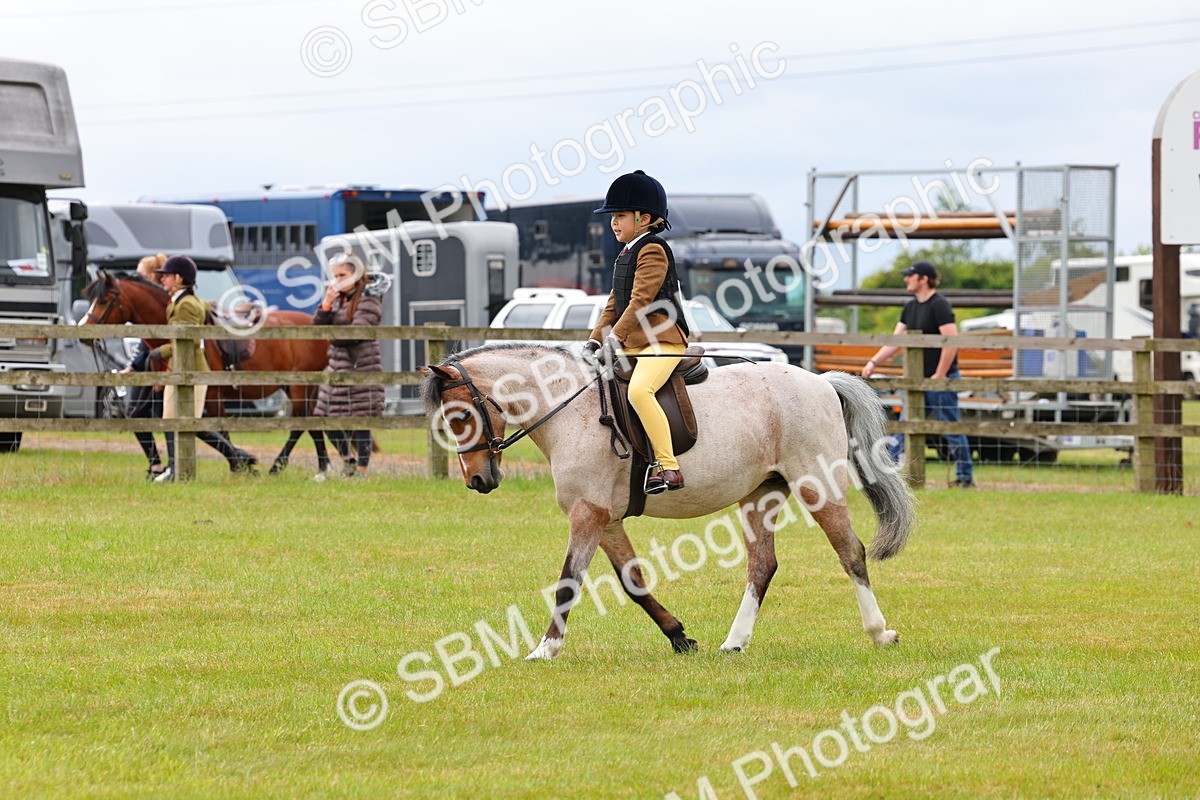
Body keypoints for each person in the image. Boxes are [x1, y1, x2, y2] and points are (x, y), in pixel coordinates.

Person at [586, 170, 690, 494]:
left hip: (663, 340)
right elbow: (614, 304)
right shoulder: (626, 253)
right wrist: (593, 338)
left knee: (639, 391)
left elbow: (640, 301)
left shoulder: (653, 250)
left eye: (620, 216)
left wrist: (614, 338)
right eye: (612, 216)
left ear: (644, 218)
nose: (613, 223)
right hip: (636, 343)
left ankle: (669, 467)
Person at [862, 260, 976, 489]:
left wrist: (940, 374)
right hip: (915, 380)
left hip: (939, 379)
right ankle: (888, 475)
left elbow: (951, 341)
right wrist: (874, 361)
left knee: (950, 428)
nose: (906, 279)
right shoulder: (910, 307)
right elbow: (895, 342)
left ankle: (965, 477)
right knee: (906, 426)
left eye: (910, 276)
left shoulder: (939, 305)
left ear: (924, 279)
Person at [145, 255, 249, 482]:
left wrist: (159, 352)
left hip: (191, 369)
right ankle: (175, 468)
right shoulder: (182, 301)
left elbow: (188, 340)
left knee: (190, 423)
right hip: (178, 368)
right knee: (172, 419)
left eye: (167, 276)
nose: (162, 280)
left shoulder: (187, 304)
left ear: (179, 278)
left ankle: (234, 456)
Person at [313, 252, 384, 479]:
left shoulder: (369, 297)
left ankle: (362, 471)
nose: (337, 279)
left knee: (360, 419)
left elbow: (358, 331)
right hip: (336, 367)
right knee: (324, 417)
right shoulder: (338, 299)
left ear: (356, 273)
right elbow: (317, 327)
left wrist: (331, 336)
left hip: (361, 366)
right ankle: (348, 461)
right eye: (335, 275)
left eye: (342, 274)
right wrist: (325, 305)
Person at [123, 254, 169, 478]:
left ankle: (165, 466)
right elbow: (146, 341)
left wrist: (136, 364)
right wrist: (133, 365)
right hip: (150, 365)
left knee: (163, 417)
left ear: (152, 276)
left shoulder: (164, 303)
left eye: (140, 274)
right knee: (137, 414)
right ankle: (158, 464)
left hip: (162, 366)